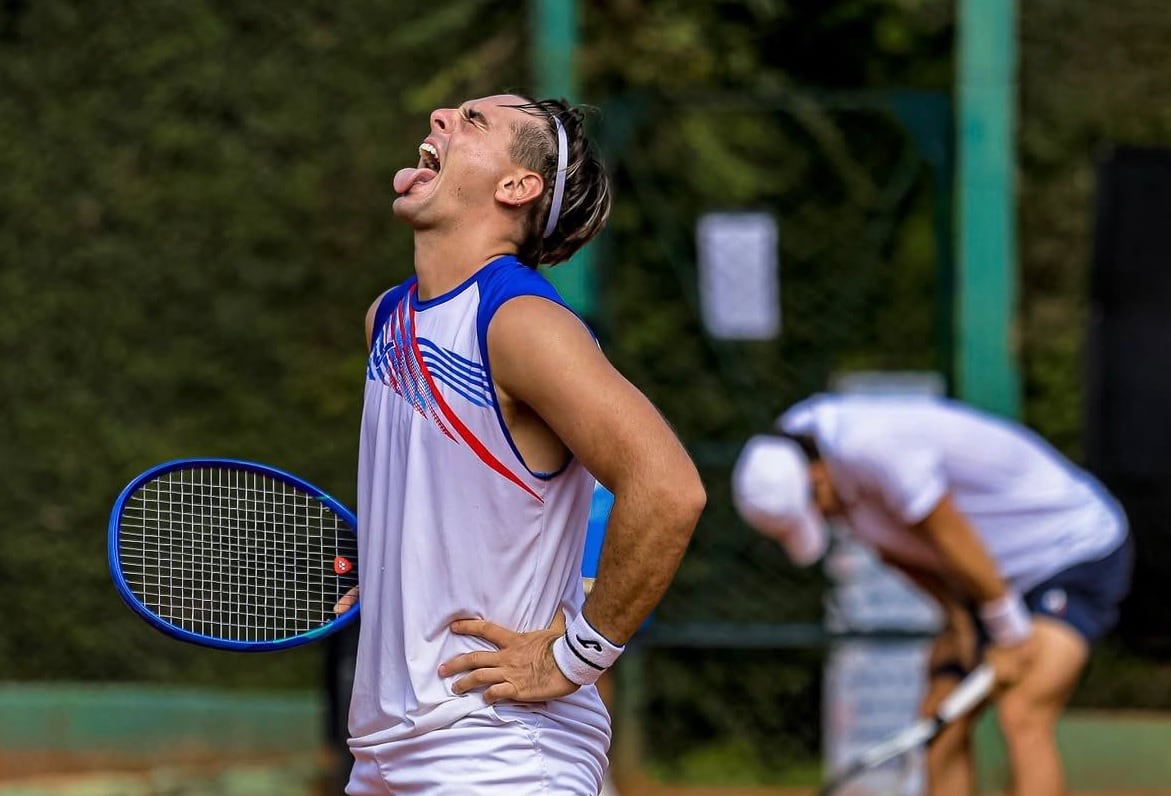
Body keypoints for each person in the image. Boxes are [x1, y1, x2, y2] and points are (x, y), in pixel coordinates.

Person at [345, 94, 706, 795]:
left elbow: (668, 489)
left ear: (517, 187)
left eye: (473, 120)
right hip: (388, 754)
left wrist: (576, 658)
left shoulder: (521, 322)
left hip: (499, 753)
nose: (441, 116)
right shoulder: (386, 319)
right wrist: (396, 572)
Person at [731, 392, 1132, 796]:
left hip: (1071, 552)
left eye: (815, 511)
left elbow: (950, 533)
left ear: (817, 479)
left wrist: (1008, 634)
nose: (823, 520)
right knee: (940, 718)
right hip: (987, 578)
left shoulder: (872, 446)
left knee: (1022, 710)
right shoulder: (796, 447)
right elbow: (899, 553)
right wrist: (959, 622)